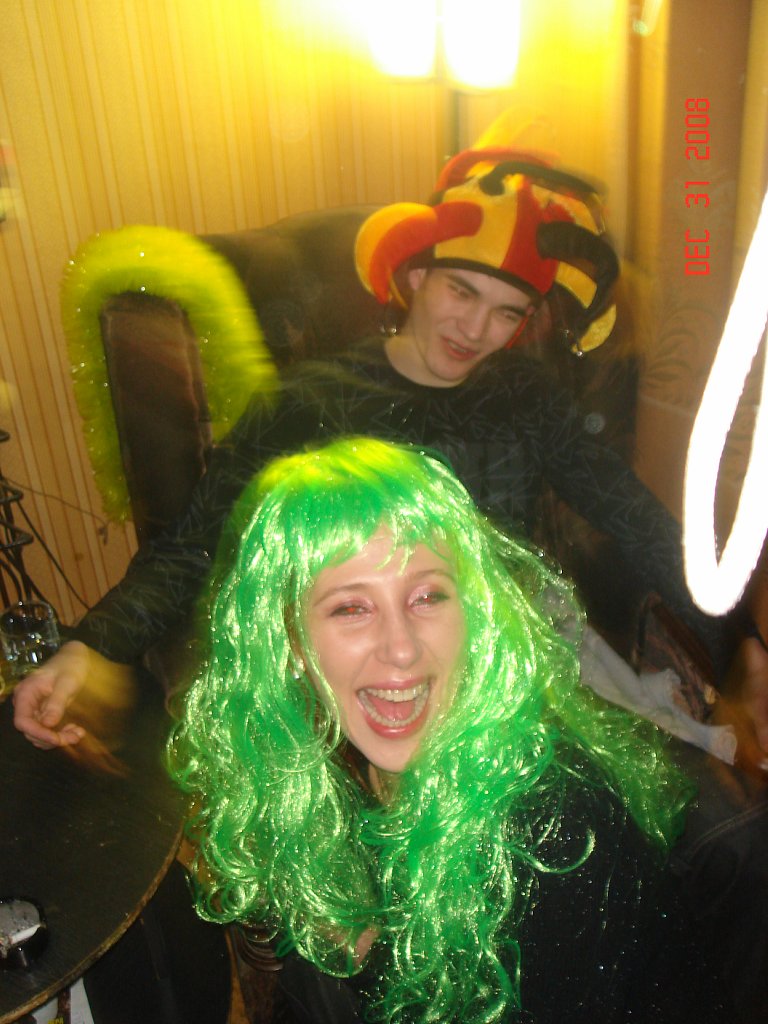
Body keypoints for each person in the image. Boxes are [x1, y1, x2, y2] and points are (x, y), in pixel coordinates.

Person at [14, 148, 767, 754]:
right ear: (415, 277)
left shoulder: (526, 397)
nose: (475, 330)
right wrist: (93, 645)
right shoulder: (311, 402)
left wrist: (742, 644)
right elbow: (195, 542)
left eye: (506, 312)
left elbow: (633, 516)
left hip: (518, 652)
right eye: (461, 292)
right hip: (381, 662)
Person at [168, 436, 731, 1024]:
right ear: (291, 644)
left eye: (427, 596)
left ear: (474, 614)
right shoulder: (326, 775)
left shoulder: (556, 829)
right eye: (351, 608)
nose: (402, 649)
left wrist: (362, 951)